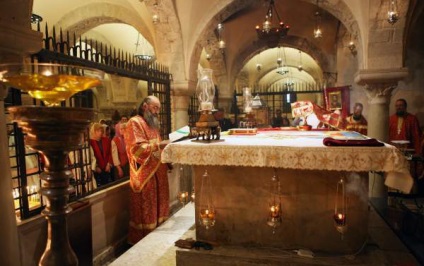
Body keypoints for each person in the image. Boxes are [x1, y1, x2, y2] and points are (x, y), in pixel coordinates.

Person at [124, 95, 170, 244]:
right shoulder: (134, 122)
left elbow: (156, 144)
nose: (157, 112)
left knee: (159, 202)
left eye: (158, 109)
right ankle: (145, 239)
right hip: (144, 172)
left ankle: (159, 234)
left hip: (158, 169)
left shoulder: (152, 124)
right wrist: (159, 146)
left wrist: (166, 157)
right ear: (145, 106)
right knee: (147, 204)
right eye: (155, 108)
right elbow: (136, 149)